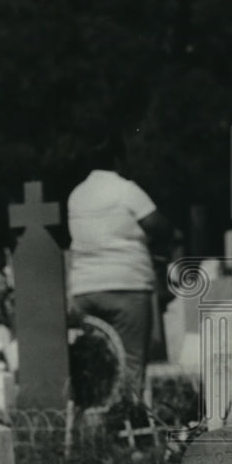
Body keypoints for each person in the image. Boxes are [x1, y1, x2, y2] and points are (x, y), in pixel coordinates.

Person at [67, 135, 169, 398]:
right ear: (118, 160)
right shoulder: (126, 190)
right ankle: (125, 419)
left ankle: (97, 413)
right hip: (126, 284)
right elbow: (157, 224)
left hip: (85, 288)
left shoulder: (76, 195)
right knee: (132, 360)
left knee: (100, 358)